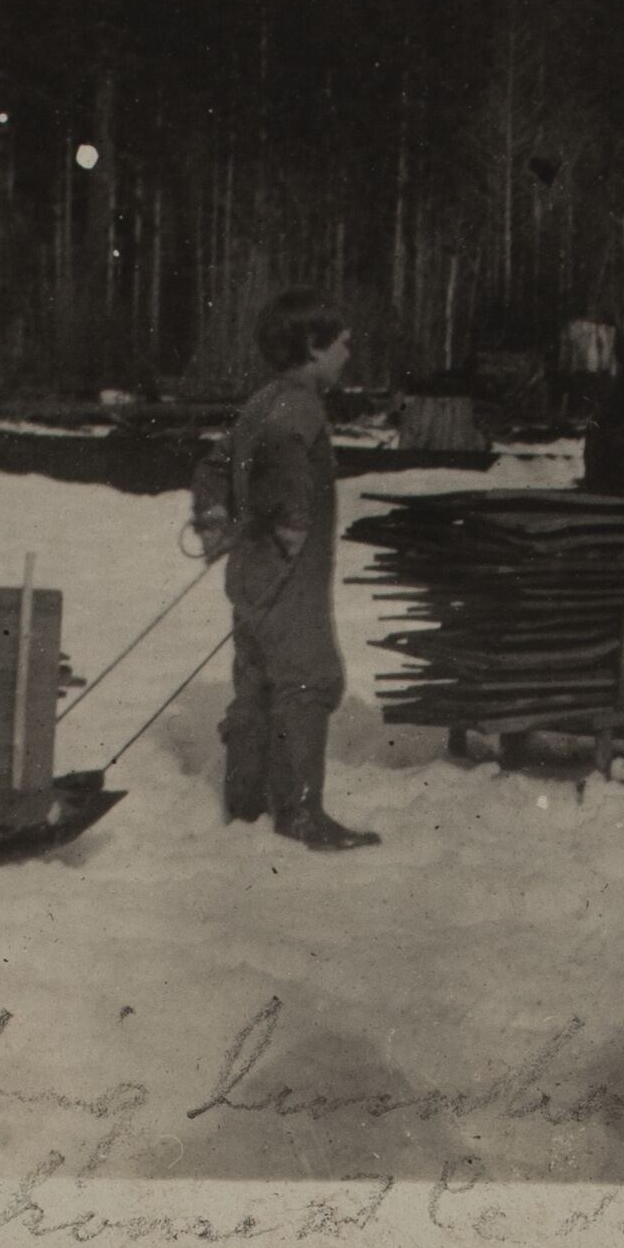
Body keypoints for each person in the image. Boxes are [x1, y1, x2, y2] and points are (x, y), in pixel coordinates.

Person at [219, 290, 380, 852]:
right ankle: (300, 813)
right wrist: (290, 519)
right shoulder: (299, 406)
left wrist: (217, 516)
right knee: (311, 678)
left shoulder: (261, 400)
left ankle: (244, 800)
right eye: (342, 345)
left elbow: (218, 463)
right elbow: (286, 455)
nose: (348, 354)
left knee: (257, 680)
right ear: (313, 346)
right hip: (290, 576)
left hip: (252, 572)